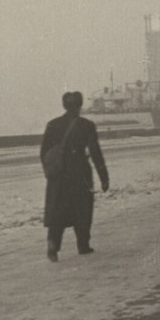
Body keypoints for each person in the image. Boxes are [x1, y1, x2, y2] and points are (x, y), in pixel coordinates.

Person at [40, 91, 109, 262]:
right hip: (80, 173)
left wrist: (50, 172)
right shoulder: (86, 125)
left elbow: (44, 153)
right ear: (80, 105)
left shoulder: (52, 125)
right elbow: (95, 153)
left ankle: (53, 244)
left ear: (64, 105)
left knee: (58, 211)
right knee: (82, 209)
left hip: (59, 176)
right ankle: (83, 245)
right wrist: (104, 177)